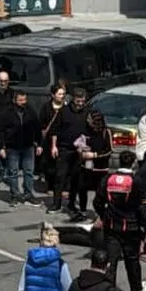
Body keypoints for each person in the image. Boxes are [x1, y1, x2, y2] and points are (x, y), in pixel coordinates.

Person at [98, 165, 146, 291]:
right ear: (133, 164)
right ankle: (136, 289)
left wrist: (104, 216)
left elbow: (97, 201)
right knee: (132, 259)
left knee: (111, 260)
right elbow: (141, 207)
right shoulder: (136, 181)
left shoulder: (108, 179)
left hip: (112, 226)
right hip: (131, 227)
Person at [49, 86, 90, 214]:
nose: (80, 104)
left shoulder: (87, 112)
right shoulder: (64, 111)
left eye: (83, 101)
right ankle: (56, 204)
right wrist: (54, 146)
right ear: (73, 99)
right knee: (60, 177)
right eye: (78, 101)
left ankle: (72, 204)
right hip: (64, 148)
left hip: (79, 150)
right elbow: (54, 130)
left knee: (76, 179)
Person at [0, 88, 41, 205]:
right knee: (13, 172)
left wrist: (39, 143)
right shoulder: (7, 112)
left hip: (28, 146)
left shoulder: (30, 110)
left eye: (25, 100)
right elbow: (0, 131)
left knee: (29, 171)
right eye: (20, 100)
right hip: (12, 147)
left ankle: (28, 193)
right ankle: (15, 195)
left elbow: (37, 127)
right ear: (15, 100)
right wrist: (1, 147)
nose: (23, 102)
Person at [79, 107, 114, 213]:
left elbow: (109, 150)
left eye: (90, 119)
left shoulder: (106, 132)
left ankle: (100, 213)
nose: (88, 121)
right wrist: (81, 149)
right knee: (82, 188)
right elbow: (81, 142)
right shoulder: (85, 130)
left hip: (101, 168)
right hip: (86, 166)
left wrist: (94, 155)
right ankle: (82, 211)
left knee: (100, 192)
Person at [37, 83, 68, 195]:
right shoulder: (46, 108)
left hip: (62, 140)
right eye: (59, 94)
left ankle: (64, 187)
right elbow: (42, 125)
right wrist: (40, 143)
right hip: (48, 140)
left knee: (63, 164)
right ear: (53, 95)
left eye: (63, 94)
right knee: (50, 164)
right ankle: (50, 186)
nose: (62, 96)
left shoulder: (66, 108)